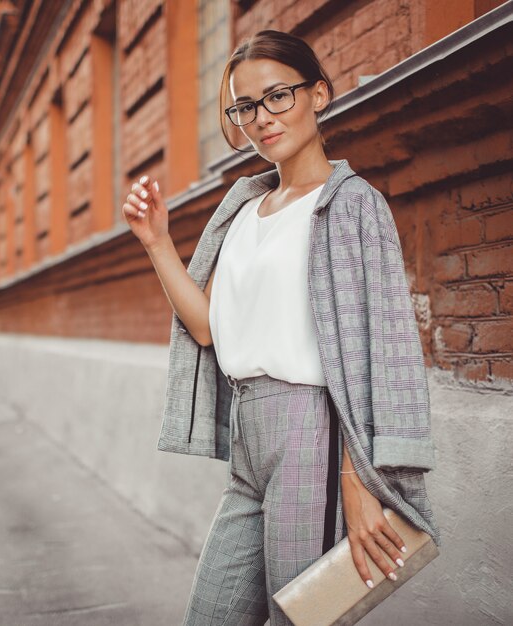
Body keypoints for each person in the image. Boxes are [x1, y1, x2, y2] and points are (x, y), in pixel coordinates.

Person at [122, 29, 440, 626]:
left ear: (318, 94)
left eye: (278, 97)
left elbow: (384, 345)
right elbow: (208, 328)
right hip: (248, 438)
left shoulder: (351, 204)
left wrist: (359, 478)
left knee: (301, 616)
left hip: (309, 433)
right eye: (245, 107)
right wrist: (158, 243)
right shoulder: (244, 209)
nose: (261, 119)